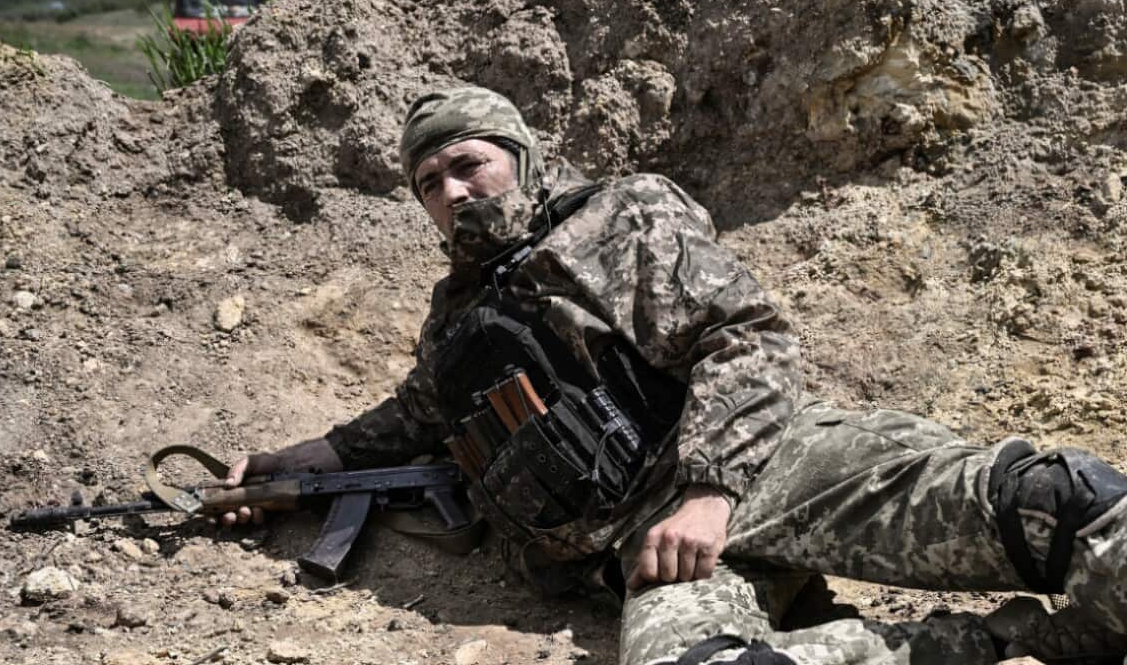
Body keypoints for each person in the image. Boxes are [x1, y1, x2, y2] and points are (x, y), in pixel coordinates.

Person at [220, 87, 1127, 665]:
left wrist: (708, 490)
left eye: (468, 164)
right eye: (429, 182)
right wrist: (287, 469)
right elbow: (406, 422)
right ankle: (995, 646)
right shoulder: (454, 322)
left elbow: (748, 339)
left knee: (1068, 504)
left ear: (518, 160)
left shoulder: (621, 216)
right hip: (645, 556)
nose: (454, 192)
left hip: (779, 467)